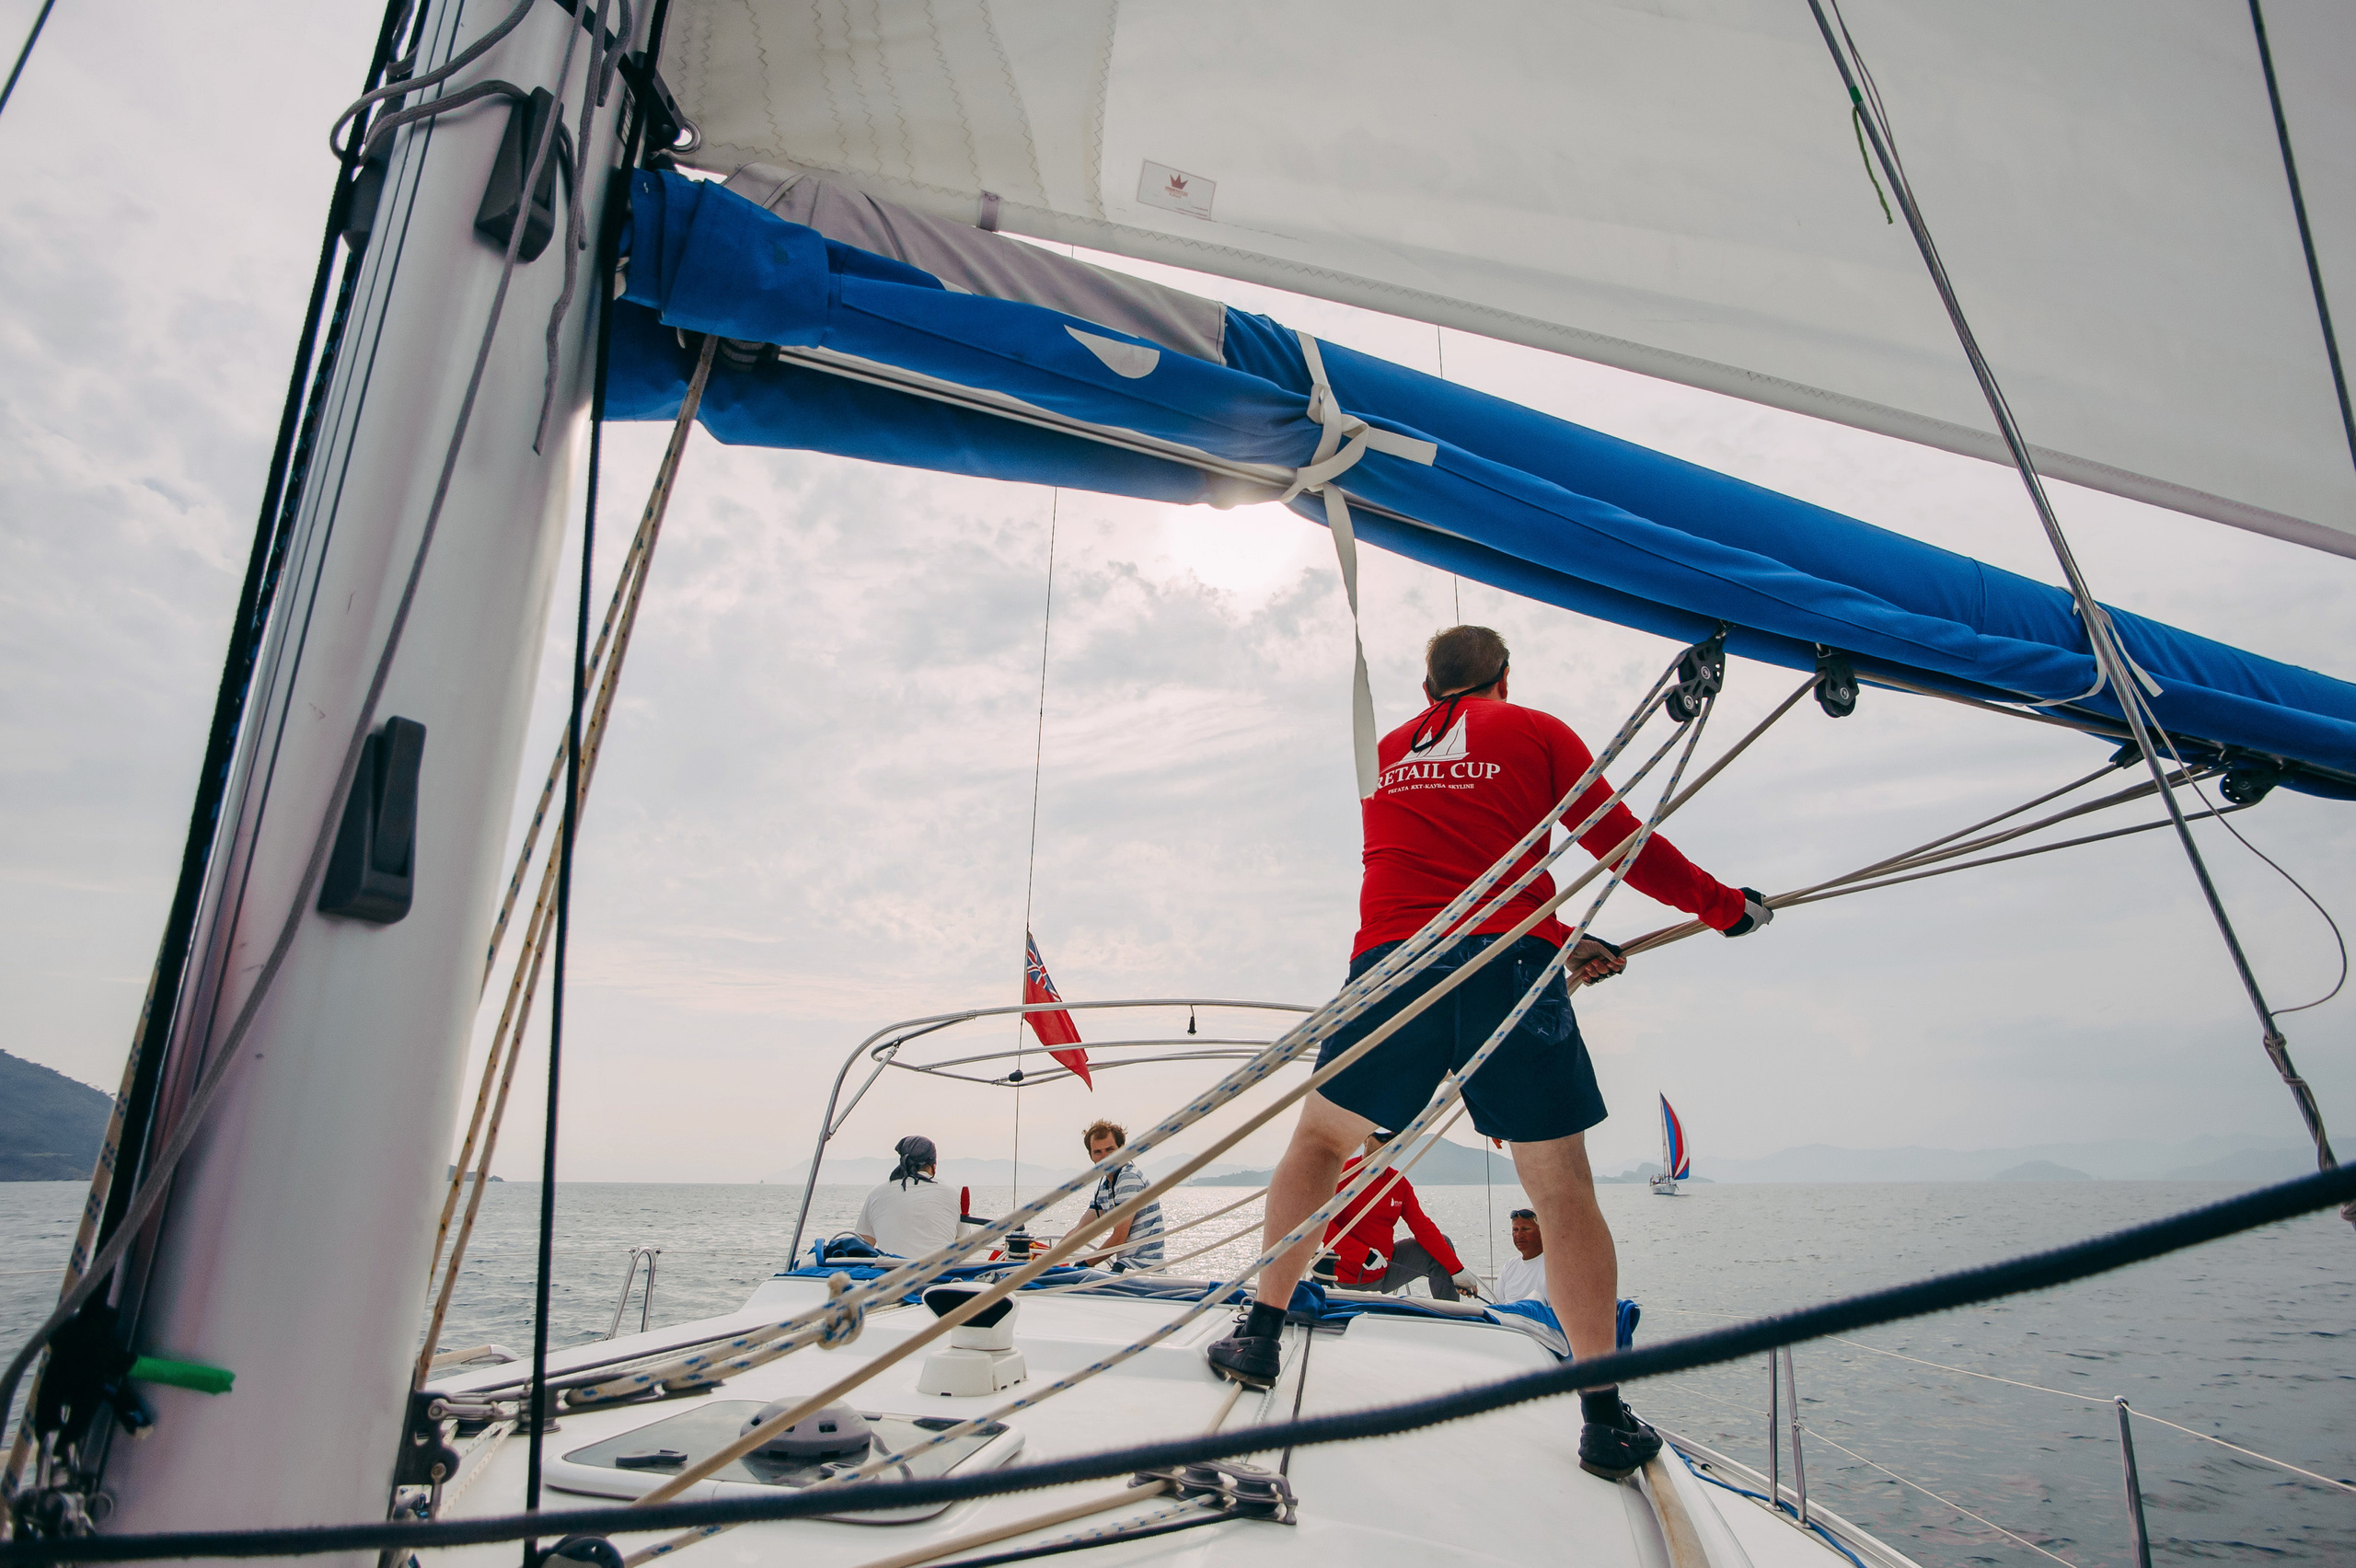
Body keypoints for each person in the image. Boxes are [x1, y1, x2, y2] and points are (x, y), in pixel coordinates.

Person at [1205, 625, 1772, 1482]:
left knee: (1321, 1142)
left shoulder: (1390, 750)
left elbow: (1432, 862)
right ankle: (1603, 1418)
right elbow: (1618, 843)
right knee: (1562, 1190)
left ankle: (1259, 1335)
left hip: (1394, 964)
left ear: (1428, 685)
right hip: (1510, 962)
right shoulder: (1537, 731)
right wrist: (1725, 908)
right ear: (1505, 677)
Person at [1322, 1132, 1482, 1299]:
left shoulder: (1398, 1183)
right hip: (1350, 1281)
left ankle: (1451, 1316)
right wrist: (1364, 1255)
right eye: (1381, 1138)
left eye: (1392, 1138)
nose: (1387, 1144)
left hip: (1385, 1270)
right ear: (1365, 1138)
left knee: (1444, 1244)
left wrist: (1457, 1270)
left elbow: (1422, 1228)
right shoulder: (1343, 1176)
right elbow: (1322, 1228)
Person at [1077, 1119, 1164, 1270]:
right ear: (1091, 1156)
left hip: (1142, 1269)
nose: (1105, 1157)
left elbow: (1119, 1239)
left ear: (1122, 1149)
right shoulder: (1106, 1186)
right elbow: (1080, 1230)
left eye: (1110, 1149)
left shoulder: (1128, 1179)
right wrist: (1047, 1259)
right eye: (1098, 1152)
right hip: (1127, 1266)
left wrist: (1084, 1264)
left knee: (1074, 1281)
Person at [854, 1136, 961, 1258]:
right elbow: (962, 1243)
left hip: (891, 1273)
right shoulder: (952, 1193)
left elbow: (864, 1244)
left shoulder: (876, 1193)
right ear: (933, 1166)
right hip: (940, 1274)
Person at [1495, 1208, 1549, 1306]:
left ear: (1542, 1232)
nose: (1519, 1235)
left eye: (1526, 1229)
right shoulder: (1509, 1266)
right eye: (1515, 1230)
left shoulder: (1552, 1266)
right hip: (1507, 1319)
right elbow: (1497, 1303)